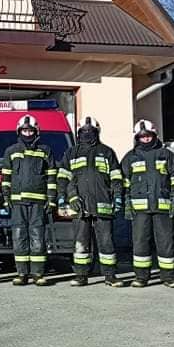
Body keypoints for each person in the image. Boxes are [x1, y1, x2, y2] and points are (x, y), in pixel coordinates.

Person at [56, 116, 125, 288]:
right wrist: (67, 197)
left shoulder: (107, 152)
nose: (87, 134)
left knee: (106, 242)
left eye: (90, 131)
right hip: (79, 205)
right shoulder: (71, 153)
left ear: (97, 132)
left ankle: (110, 276)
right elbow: (63, 179)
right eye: (84, 131)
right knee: (81, 242)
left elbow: (116, 177)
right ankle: (81, 275)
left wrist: (117, 196)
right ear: (79, 133)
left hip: (103, 204)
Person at [121, 119, 174, 289]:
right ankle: (141, 277)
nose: (146, 139)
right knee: (140, 243)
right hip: (139, 211)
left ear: (154, 135)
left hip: (163, 208)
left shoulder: (166, 154)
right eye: (142, 137)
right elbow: (124, 183)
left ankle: (169, 277)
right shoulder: (130, 157)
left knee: (166, 243)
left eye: (148, 136)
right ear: (137, 138)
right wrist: (126, 203)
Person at [0, 114, 57, 286]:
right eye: (25, 130)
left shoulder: (45, 151)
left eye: (30, 131)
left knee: (38, 237)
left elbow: (51, 177)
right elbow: (6, 177)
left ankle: (38, 274)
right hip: (17, 203)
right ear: (19, 131)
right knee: (19, 237)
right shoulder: (11, 151)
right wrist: (6, 197)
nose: (27, 133)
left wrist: (51, 199)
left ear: (36, 131)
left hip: (38, 203)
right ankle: (22, 274)